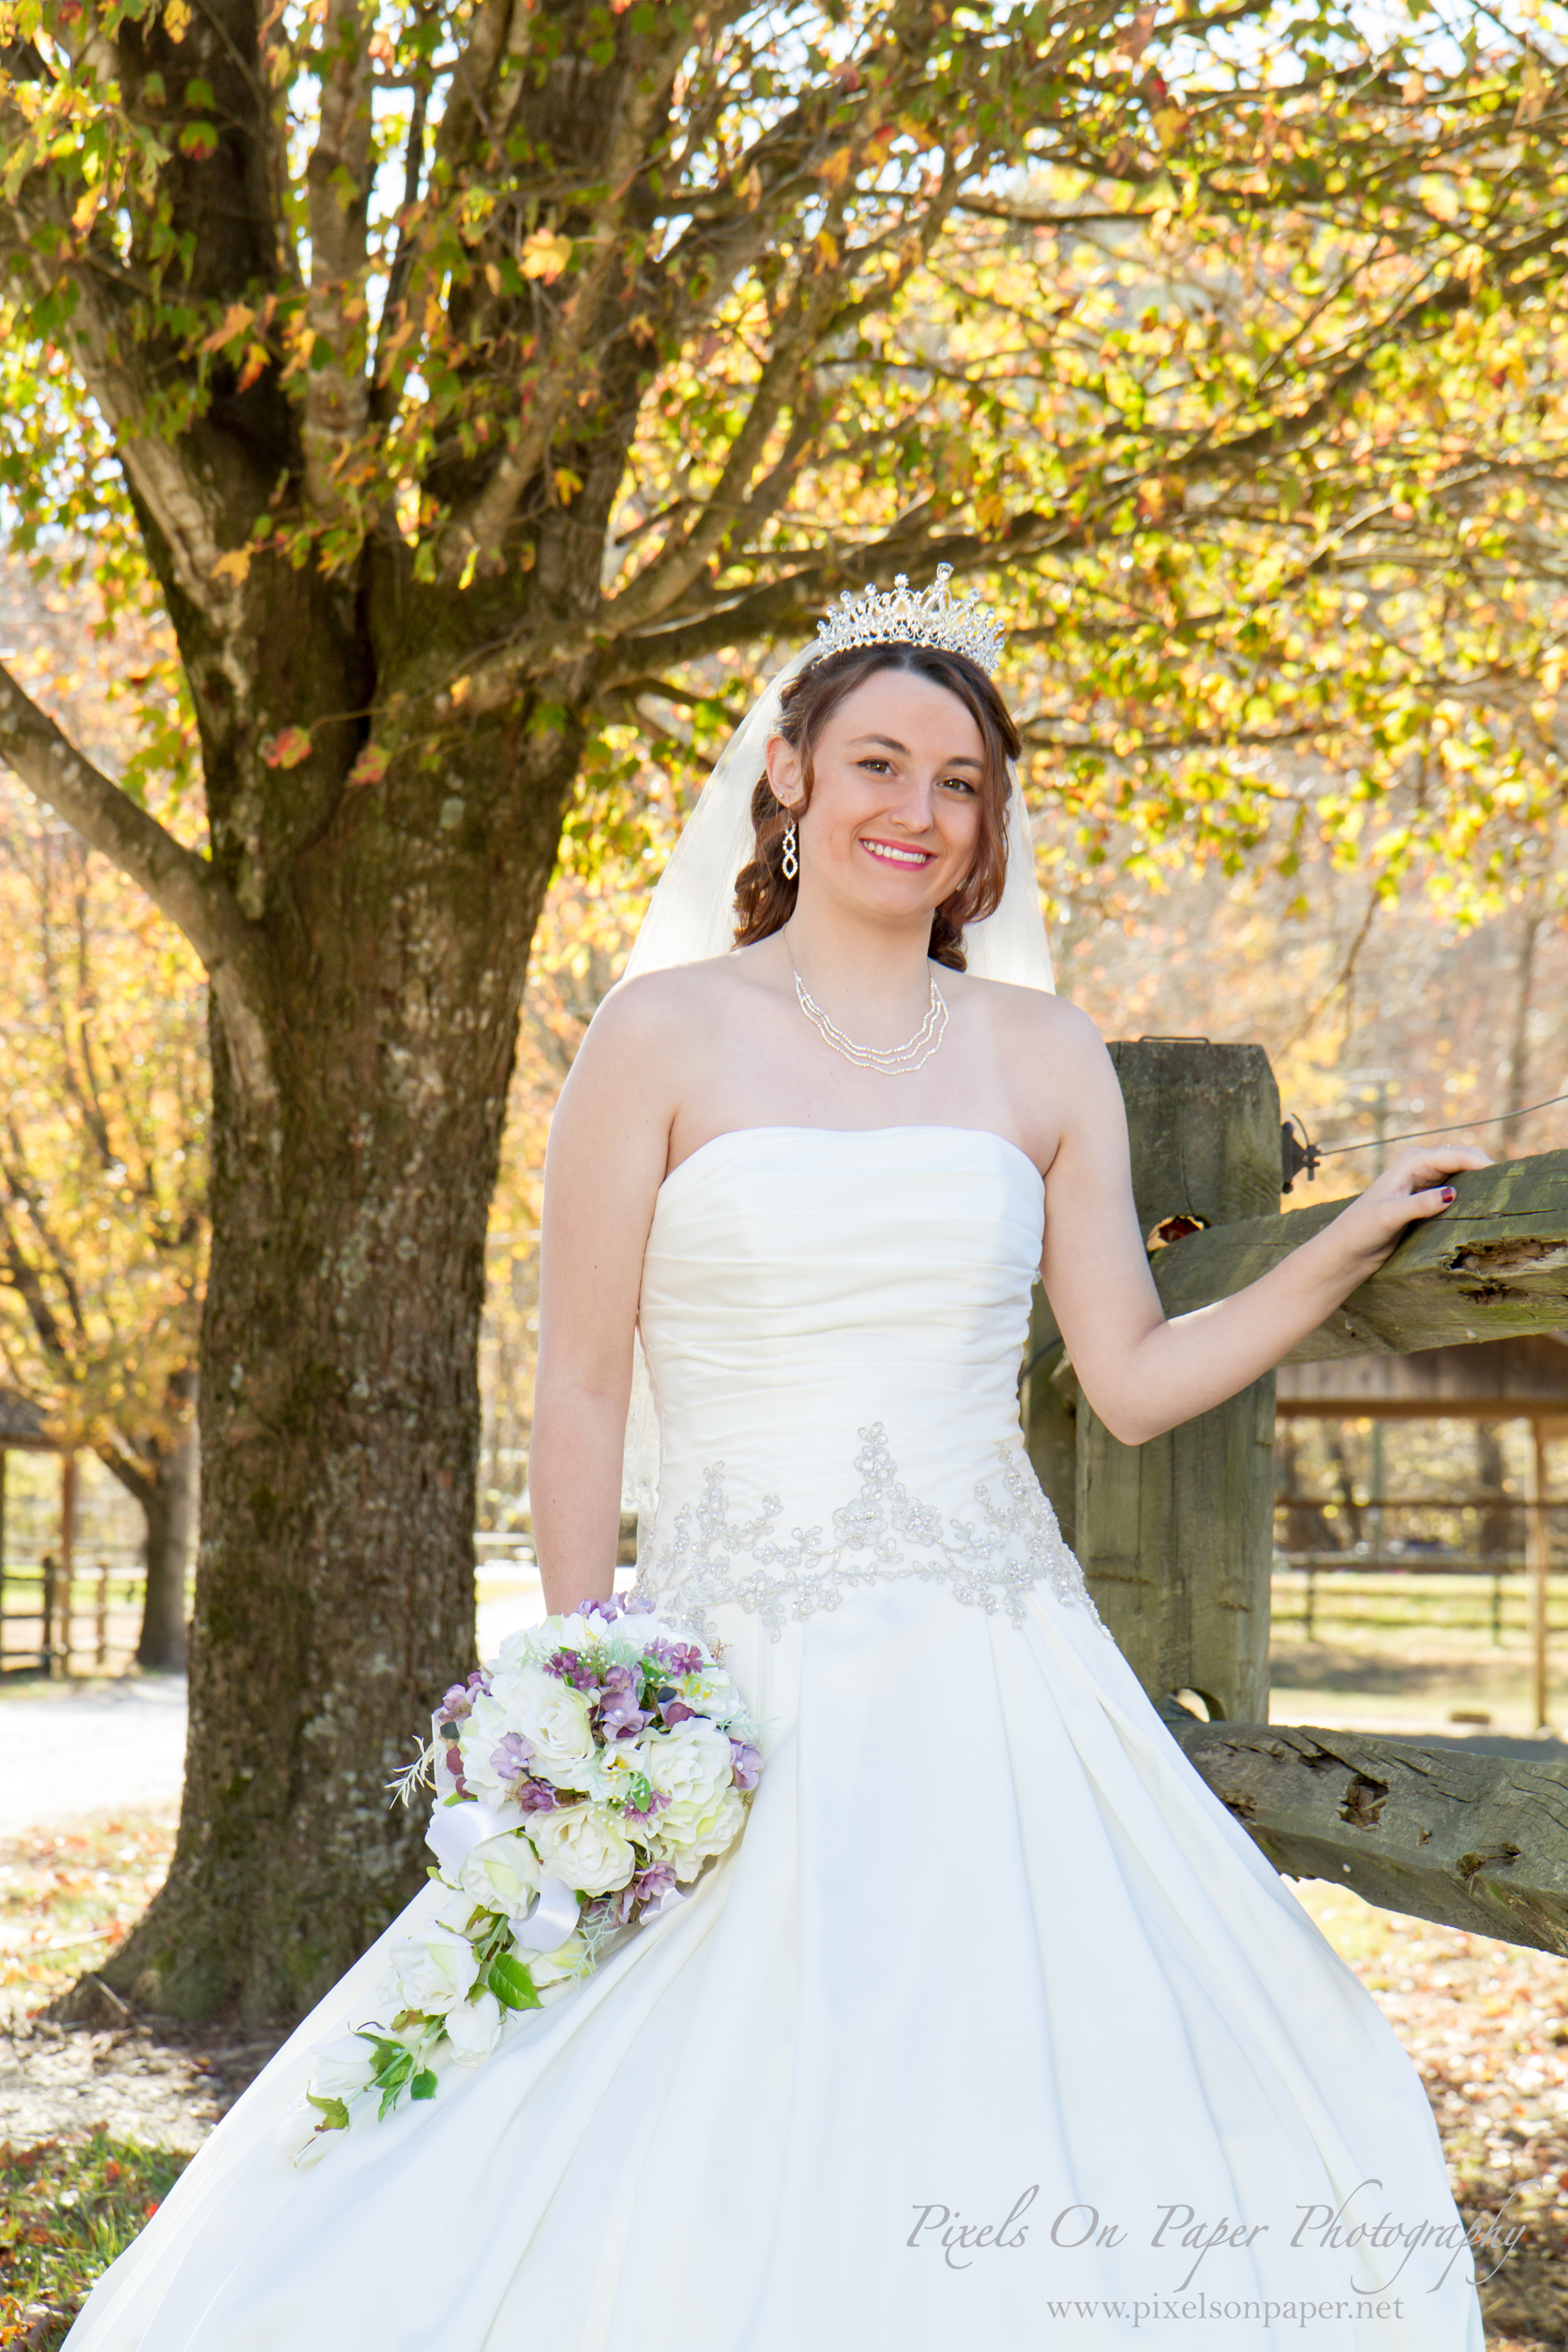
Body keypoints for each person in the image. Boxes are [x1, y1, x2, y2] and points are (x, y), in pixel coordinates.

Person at [69, 578, 1489, 2350]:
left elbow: (1128, 1377)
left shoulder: (1043, 1058)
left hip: (997, 1668)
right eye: (879, 761)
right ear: (791, 783)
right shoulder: (658, 1036)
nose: (918, 808)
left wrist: (1341, 1242)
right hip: (730, 1673)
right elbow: (581, 1391)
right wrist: (594, 1694)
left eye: (961, 781)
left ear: (987, 831)